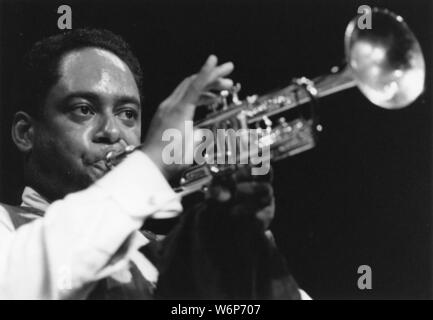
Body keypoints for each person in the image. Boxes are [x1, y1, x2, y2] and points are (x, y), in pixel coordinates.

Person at [0, 28, 308, 299]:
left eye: (128, 114)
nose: (112, 132)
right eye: (84, 109)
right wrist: (151, 162)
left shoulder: (170, 254)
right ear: (26, 133)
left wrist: (242, 249)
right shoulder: (8, 231)